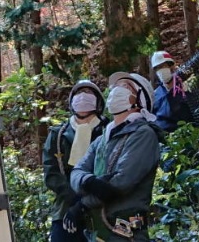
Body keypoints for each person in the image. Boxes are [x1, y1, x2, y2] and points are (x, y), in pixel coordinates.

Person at [65, 73, 162, 242]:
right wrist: (90, 181)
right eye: (115, 86)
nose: (116, 90)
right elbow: (77, 172)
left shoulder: (143, 135)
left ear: (138, 99)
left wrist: (83, 204)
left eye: (125, 87)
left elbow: (120, 183)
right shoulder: (103, 138)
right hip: (99, 232)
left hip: (126, 232)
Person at [43, 80, 109, 241]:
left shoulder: (108, 130)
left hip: (103, 208)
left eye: (88, 92)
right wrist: (73, 197)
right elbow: (51, 172)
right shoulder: (58, 134)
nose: (83, 97)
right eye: (79, 93)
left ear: (98, 100)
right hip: (66, 207)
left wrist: (88, 198)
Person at [151, 50, 195, 133]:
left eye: (163, 66)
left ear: (171, 66)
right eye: (157, 68)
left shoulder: (186, 89)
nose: (160, 70)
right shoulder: (155, 96)